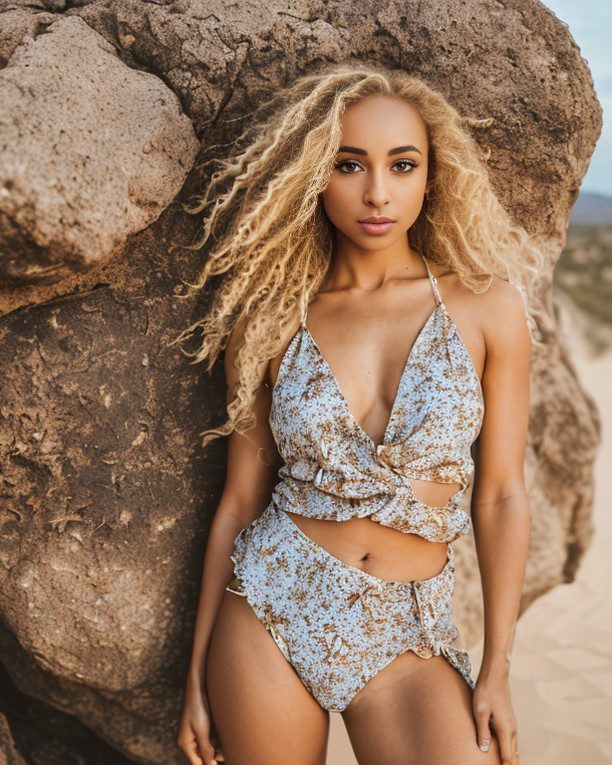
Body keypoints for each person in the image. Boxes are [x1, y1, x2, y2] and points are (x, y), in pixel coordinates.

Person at [173, 62, 541, 765]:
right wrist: (194, 674)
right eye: (350, 164)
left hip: (409, 631)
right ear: (317, 175)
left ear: (432, 176)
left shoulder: (487, 307)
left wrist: (496, 667)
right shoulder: (272, 318)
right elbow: (241, 498)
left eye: (402, 165)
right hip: (271, 605)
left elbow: (501, 493)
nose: (378, 192)